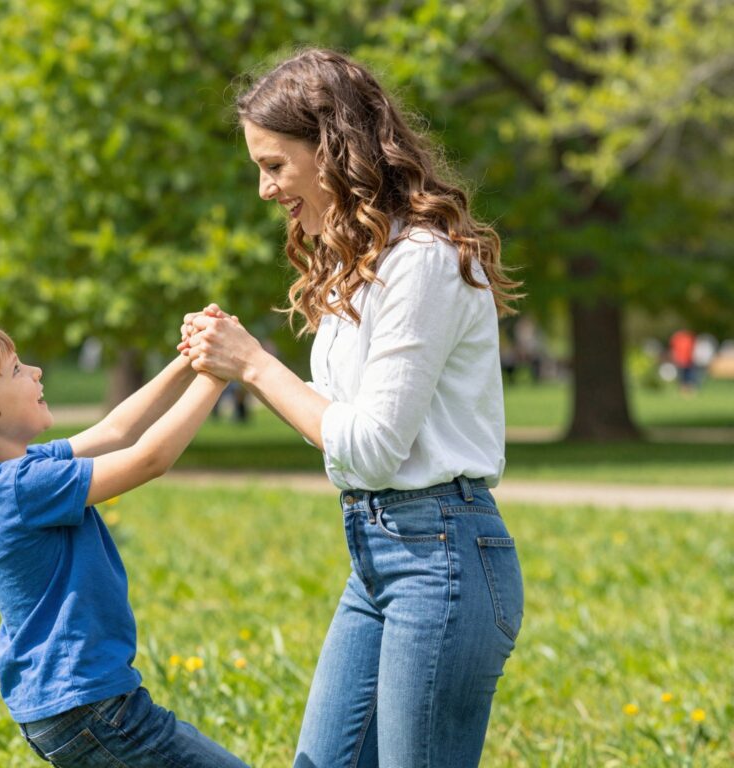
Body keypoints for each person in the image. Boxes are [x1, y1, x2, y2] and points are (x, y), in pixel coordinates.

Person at [179, 48, 524, 768]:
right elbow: (341, 431)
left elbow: (368, 447)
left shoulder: (423, 261)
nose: (266, 190)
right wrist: (229, 367)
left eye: (275, 165)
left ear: (333, 150)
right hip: (373, 553)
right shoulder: (356, 266)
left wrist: (254, 365)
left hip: (443, 560)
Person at [0, 321, 249, 768]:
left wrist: (188, 359)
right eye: (15, 370)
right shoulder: (24, 486)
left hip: (68, 708)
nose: (36, 371)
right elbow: (149, 458)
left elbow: (117, 430)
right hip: (92, 707)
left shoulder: (11, 474)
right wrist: (218, 376)